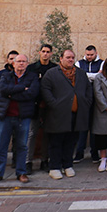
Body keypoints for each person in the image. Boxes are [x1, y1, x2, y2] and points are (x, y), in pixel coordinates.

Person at [41, 50, 93, 180]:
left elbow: (88, 90)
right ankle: (54, 167)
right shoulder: (51, 73)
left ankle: (67, 165)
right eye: (68, 57)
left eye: (72, 58)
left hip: (76, 115)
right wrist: (54, 104)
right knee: (56, 142)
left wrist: (85, 102)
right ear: (61, 58)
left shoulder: (80, 74)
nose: (70, 60)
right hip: (57, 115)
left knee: (71, 142)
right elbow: (45, 90)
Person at [0, 54, 39, 185]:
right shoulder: (5, 76)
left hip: (23, 116)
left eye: (24, 61)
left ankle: (21, 172)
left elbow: (32, 94)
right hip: (6, 116)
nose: (21, 64)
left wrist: (12, 94)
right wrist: (22, 88)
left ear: (27, 64)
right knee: (1, 146)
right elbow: (3, 90)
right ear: (13, 64)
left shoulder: (32, 77)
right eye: (19, 61)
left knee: (22, 146)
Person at [26, 44, 57, 174]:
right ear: (39, 53)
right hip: (34, 105)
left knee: (46, 134)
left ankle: (45, 160)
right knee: (32, 133)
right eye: (43, 51)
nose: (45, 54)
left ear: (51, 54)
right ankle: (28, 162)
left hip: (49, 106)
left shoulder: (55, 68)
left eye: (48, 52)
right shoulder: (32, 68)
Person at [73, 45, 103, 164]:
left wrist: (85, 75)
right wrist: (93, 76)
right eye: (87, 55)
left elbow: (100, 76)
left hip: (97, 99)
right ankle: (79, 153)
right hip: (83, 99)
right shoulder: (79, 63)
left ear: (96, 53)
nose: (89, 57)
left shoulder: (102, 63)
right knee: (82, 127)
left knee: (94, 127)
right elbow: (77, 76)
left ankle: (94, 153)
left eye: (91, 55)